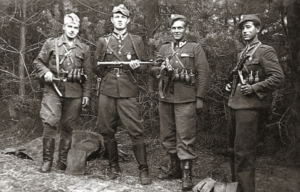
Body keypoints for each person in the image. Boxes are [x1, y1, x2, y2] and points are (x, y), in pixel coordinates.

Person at [150, 14, 211, 191]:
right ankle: (174, 168)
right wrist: (160, 70)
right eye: (174, 28)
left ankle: (186, 174)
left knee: (185, 136)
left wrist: (199, 98)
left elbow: (204, 74)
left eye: (180, 28)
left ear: (186, 30)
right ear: (171, 30)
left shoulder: (195, 48)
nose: (177, 31)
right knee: (167, 135)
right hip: (166, 97)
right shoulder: (164, 48)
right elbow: (153, 68)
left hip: (186, 98)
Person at [225, 14, 284, 192]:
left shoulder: (265, 51)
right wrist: (231, 86)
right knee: (232, 151)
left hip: (250, 109)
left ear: (258, 29)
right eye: (243, 28)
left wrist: (255, 88)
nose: (245, 31)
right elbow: (241, 79)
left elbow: (278, 77)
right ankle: (238, 188)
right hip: (235, 106)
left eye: (249, 27)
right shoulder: (242, 53)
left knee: (244, 153)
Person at [94, 4, 151, 185]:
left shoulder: (136, 40)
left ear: (127, 20)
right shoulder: (104, 41)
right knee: (106, 130)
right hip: (108, 90)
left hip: (127, 90)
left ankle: (143, 169)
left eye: (123, 17)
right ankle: (114, 166)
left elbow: (144, 67)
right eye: (116, 17)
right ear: (112, 20)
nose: (119, 20)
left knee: (136, 131)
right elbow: (96, 68)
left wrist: (136, 65)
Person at [34, 13, 92, 173]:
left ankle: (62, 161)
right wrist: (45, 71)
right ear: (64, 27)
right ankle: (47, 161)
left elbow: (88, 73)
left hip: (74, 92)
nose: (72, 30)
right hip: (53, 89)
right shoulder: (51, 44)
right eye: (70, 26)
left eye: (75, 27)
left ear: (78, 29)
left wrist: (87, 94)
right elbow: (37, 61)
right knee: (50, 122)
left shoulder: (84, 49)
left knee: (68, 126)